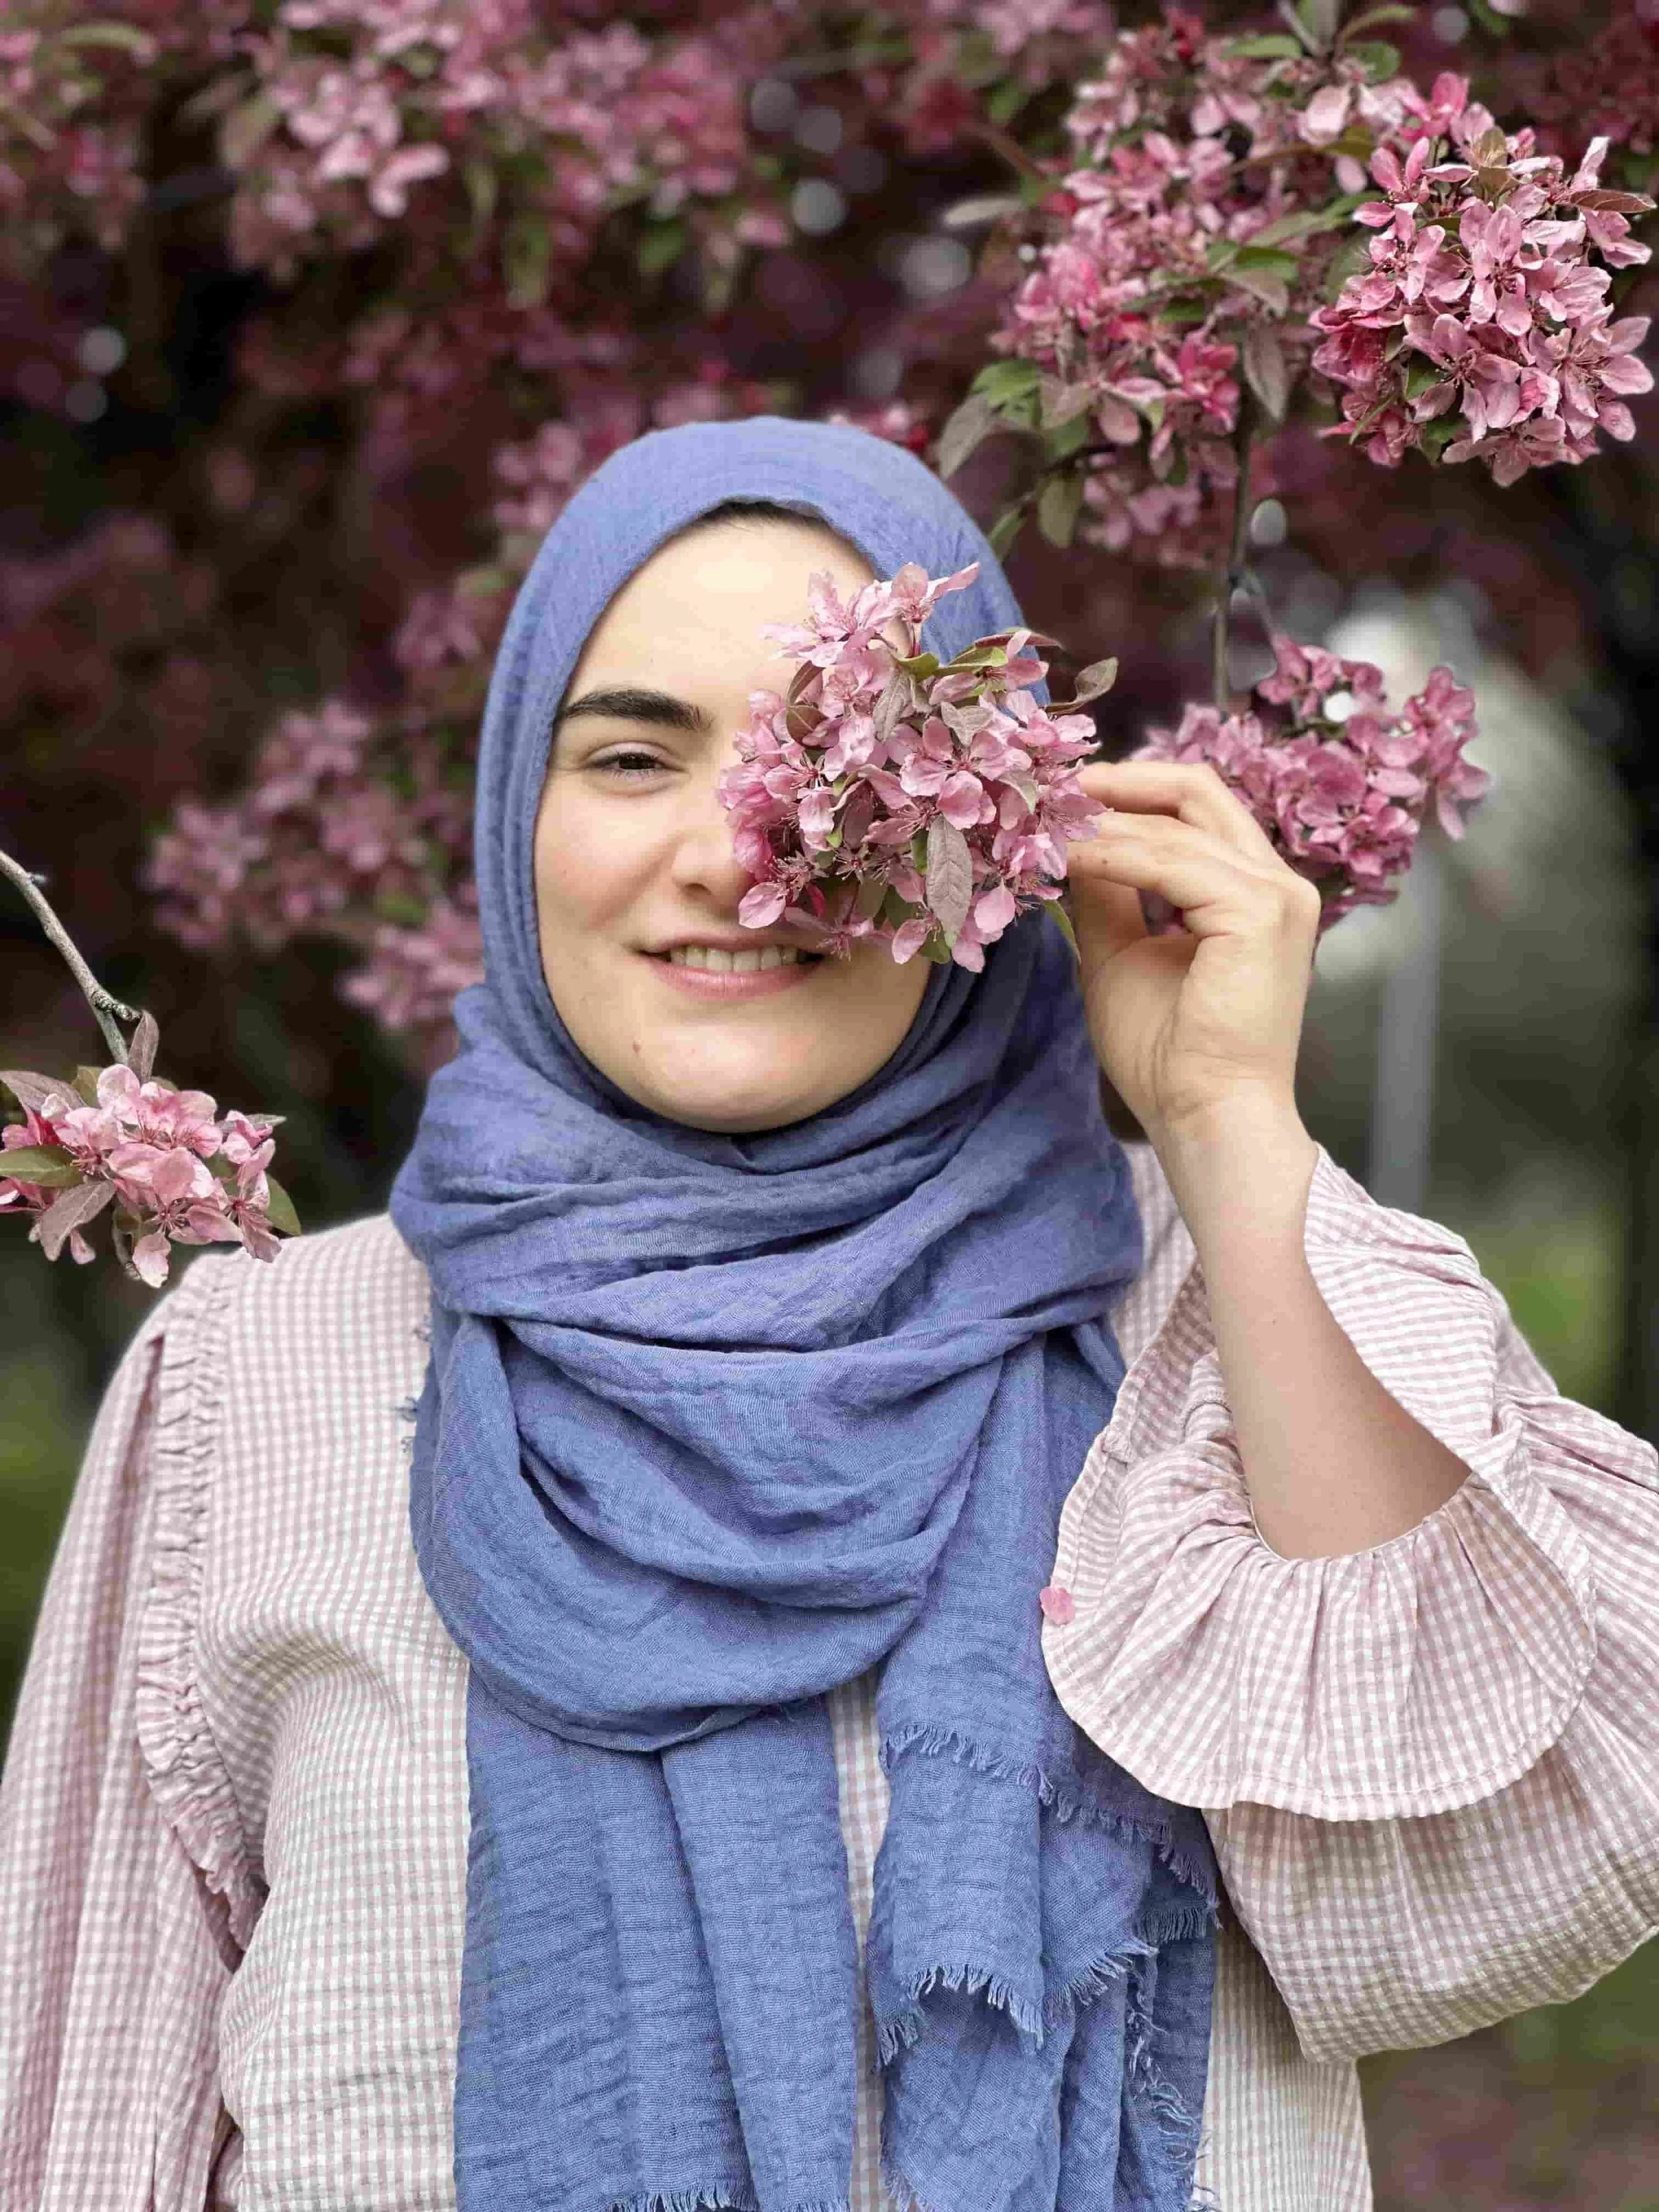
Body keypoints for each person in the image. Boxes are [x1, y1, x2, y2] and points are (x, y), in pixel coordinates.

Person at [2, 417, 1657, 2212]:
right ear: (514, 817)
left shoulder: (1205, 1316)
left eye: (826, 760)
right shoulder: (261, 1375)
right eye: (632, 755)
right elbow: (81, 2123)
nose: (734, 854)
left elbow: (1486, 1892)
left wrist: (1221, 1125)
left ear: (994, 825)